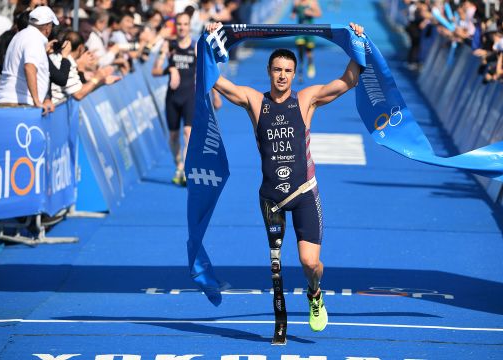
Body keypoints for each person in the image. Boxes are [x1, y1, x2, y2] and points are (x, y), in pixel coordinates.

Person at [206, 21, 365, 332]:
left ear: (295, 74)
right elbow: (215, 80)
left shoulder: (306, 100)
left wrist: (358, 42)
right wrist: (210, 40)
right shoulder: (254, 101)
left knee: (309, 263)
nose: (282, 76)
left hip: (305, 193)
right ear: (269, 71)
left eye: (287, 71)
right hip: (271, 199)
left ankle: (315, 293)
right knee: (276, 268)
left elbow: (348, 80)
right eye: (277, 69)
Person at [152, 11, 196, 185]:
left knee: (188, 132)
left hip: (189, 95)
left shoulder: (195, 47)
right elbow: (154, 71)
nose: (182, 27)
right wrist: (169, 69)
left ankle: (185, 169)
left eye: (185, 24)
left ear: (189, 26)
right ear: (175, 26)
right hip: (172, 97)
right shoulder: (169, 46)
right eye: (179, 24)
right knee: (173, 136)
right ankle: (178, 165)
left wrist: (214, 96)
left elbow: (204, 73)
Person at [0, 5, 58, 113]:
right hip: (17, 104)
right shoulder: (34, 38)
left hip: (9, 102)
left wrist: (44, 99)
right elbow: (29, 67)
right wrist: (37, 101)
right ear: (47, 27)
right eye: (51, 26)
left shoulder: (20, 36)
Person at [291, 0, 321, 82]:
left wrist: (310, 13)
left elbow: (319, 14)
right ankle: (300, 70)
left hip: (310, 31)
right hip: (300, 30)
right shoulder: (296, 2)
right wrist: (293, 13)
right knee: (300, 50)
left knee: (309, 52)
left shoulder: (312, 2)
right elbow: (293, 12)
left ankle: (310, 63)